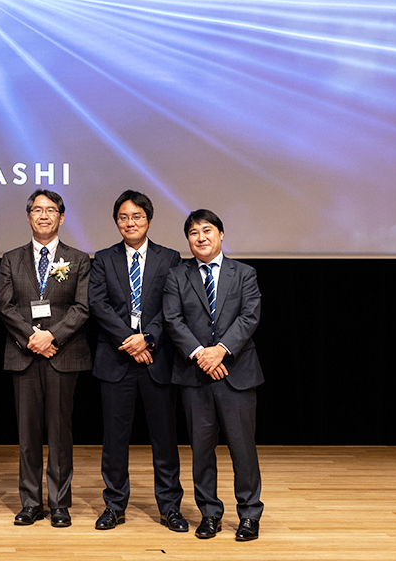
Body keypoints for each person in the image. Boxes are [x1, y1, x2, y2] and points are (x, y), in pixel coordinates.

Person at [87, 190, 187, 532]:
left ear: (149, 219)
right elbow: (98, 305)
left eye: (137, 217)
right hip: (116, 360)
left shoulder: (170, 258)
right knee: (115, 440)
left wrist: (149, 338)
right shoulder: (103, 258)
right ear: (117, 222)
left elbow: (172, 306)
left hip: (156, 359)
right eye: (124, 217)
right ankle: (114, 505)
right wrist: (130, 341)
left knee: (165, 439)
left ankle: (170, 507)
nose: (130, 222)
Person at [163, 209, 264, 542]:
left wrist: (220, 350)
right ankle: (209, 513)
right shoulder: (177, 276)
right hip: (195, 375)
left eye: (207, 230)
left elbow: (249, 317)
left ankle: (249, 514)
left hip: (236, 373)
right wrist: (200, 354)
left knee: (242, 449)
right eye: (193, 233)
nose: (201, 237)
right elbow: (173, 320)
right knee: (201, 450)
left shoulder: (244, 273)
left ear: (221, 234)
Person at [0, 189, 91, 528]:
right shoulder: (11, 259)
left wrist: (52, 336)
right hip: (24, 355)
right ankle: (31, 502)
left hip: (62, 355)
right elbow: (5, 306)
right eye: (37, 210)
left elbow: (82, 307)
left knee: (60, 433)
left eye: (51, 210)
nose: (44, 215)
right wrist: (32, 338)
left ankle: (60, 503)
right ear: (28, 217)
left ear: (61, 217)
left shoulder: (78, 259)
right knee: (28, 434)